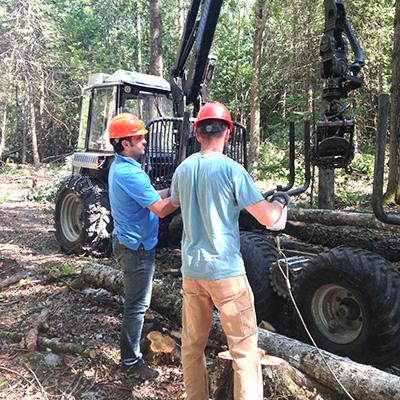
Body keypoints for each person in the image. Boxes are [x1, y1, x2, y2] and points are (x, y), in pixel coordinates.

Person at [170, 102, 290, 400]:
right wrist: (281, 204)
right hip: (226, 274)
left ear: (198, 133)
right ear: (229, 133)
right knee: (245, 353)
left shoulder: (182, 169)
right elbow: (269, 219)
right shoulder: (232, 170)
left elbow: (175, 203)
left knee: (192, 347)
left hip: (192, 272)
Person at [108, 113, 178, 379]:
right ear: (125, 143)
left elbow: (151, 197)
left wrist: (172, 189)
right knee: (136, 305)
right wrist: (183, 195)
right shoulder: (129, 172)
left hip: (133, 243)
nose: (144, 142)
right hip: (136, 248)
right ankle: (130, 362)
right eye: (139, 138)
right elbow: (160, 210)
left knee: (137, 302)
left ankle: (132, 351)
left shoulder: (123, 166)